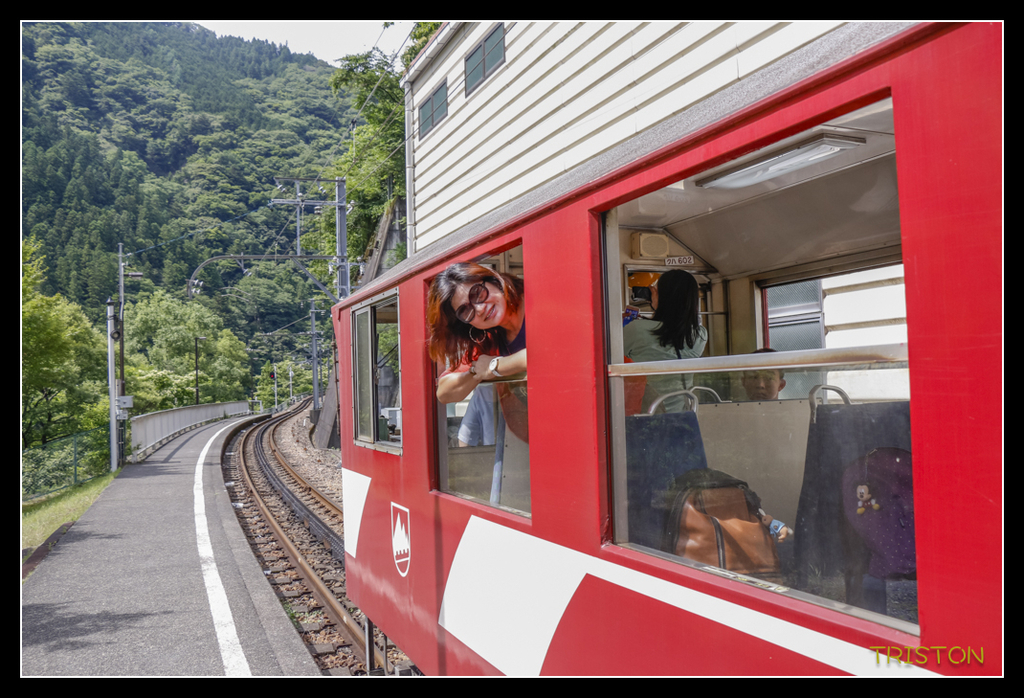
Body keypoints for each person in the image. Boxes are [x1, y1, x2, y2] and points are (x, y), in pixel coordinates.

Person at [427, 262, 526, 405]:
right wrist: (476, 372)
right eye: (466, 311)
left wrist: (494, 366)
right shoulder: (489, 339)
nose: (479, 309)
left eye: (478, 293)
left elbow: (552, 353)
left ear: (494, 281)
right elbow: (444, 393)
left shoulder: (536, 300)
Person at [622, 269, 707, 412]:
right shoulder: (700, 335)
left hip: (647, 412)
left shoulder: (636, 329)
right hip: (686, 415)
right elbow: (679, 324)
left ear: (662, 296)